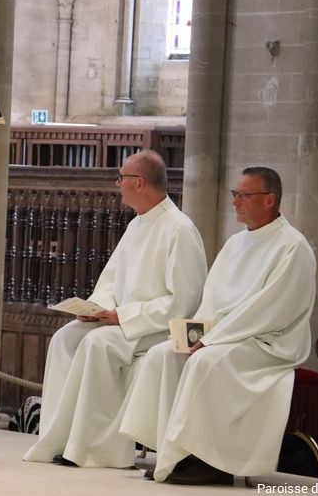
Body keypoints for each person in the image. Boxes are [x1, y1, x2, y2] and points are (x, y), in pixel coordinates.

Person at [119, 167, 317, 485]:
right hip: (225, 336)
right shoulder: (236, 243)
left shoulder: (292, 247)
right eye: (234, 194)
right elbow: (212, 298)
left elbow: (268, 310)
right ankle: (174, 454)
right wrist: (195, 334)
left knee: (205, 361)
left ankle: (212, 461)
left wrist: (213, 340)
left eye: (244, 195)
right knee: (164, 354)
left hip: (267, 343)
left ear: (269, 200)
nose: (235, 201)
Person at [23, 150, 207, 468]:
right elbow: (111, 282)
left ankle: (97, 450)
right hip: (124, 322)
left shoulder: (179, 229)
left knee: (98, 343)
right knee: (66, 338)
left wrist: (122, 316)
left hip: (159, 329)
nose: (117, 183)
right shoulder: (137, 225)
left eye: (121, 177)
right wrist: (96, 309)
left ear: (139, 183)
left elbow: (182, 302)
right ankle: (60, 438)